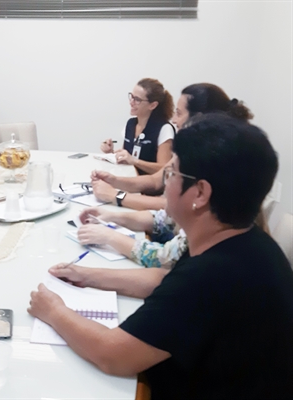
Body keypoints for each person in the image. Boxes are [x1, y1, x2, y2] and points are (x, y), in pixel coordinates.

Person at [28, 114, 293, 399]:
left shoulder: (212, 276)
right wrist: (88, 276)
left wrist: (54, 311)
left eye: (173, 173)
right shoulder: (244, 241)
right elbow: (164, 280)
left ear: (200, 193)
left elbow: (113, 354)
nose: (165, 184)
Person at [92, 83, 253, 210]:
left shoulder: (212, 161)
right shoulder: (189, 150)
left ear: (198, 119)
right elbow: (156, 181)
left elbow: (171, 207)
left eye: (179, 113)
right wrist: (113, 181)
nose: (174, 120)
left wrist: (115, 195)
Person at [100, 78, 174, 175]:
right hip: (130, 181)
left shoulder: (164, 129)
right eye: (131, 96)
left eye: (137, 99)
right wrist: (110, 153)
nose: (131, 102)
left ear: (152, 105)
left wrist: (135, 161)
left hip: (150, 187)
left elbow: (165, 169)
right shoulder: (130, 124)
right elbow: (126, 158)